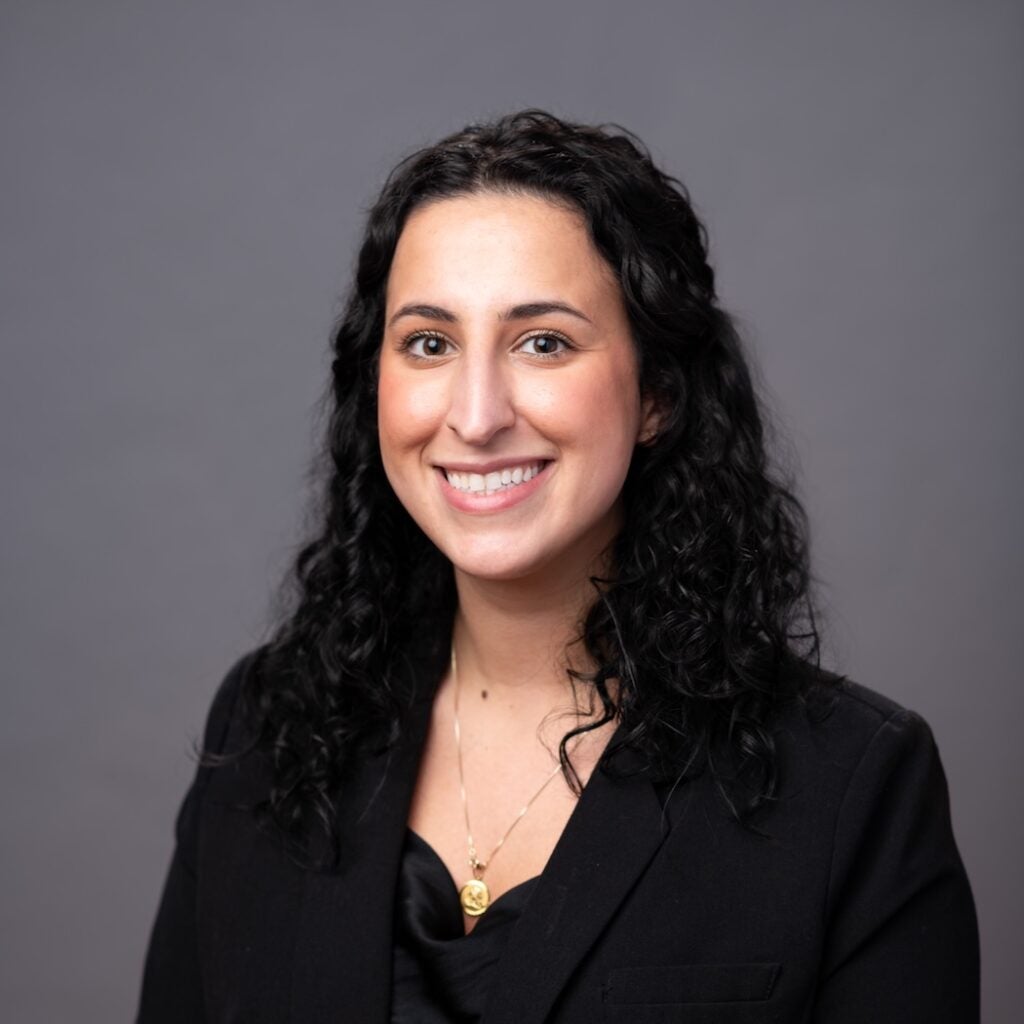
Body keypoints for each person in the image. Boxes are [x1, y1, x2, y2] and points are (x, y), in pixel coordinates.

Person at [137, 110, 979, 1023]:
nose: (476, 416)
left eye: (543, 342)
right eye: (429, 342)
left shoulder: (851, 782)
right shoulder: (267, 725)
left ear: (658, 394)